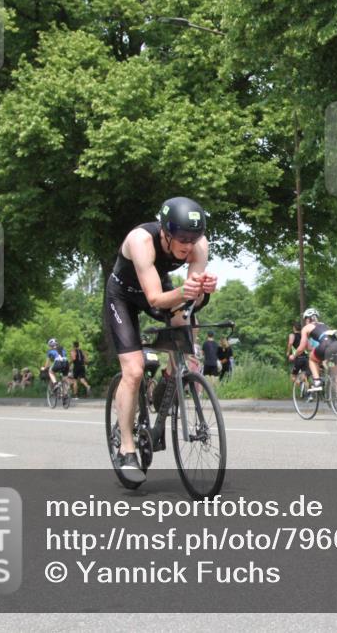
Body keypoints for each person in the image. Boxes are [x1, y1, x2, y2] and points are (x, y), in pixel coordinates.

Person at [103, 197, 217, 483]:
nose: (188, 245)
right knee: (134, 370)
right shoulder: (141, 240)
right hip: (124, 296)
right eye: (181, 238)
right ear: (165, 232)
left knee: (187, 333)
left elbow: (190, 302)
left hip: (160, 290)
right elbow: (155, 298)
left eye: (194, 238)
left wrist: (202, 291)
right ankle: (127, 449)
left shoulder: (199, 246)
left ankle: (168, 381)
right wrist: (187, 291)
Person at [290, 308, 337, 392]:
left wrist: (294, 355)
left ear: (308, 319)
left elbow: (301, 347)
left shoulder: (306, 327)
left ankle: (317, 381)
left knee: (312, 359)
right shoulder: (325, 325)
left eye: (305, 320)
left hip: (326, 345)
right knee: (335, 375)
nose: (305, 322)